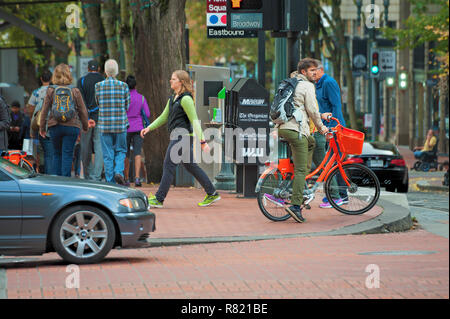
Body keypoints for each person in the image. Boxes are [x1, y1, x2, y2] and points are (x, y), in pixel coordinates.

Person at [140, 70, 220, 208]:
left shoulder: (186, 99)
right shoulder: (173, 99)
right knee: (191, 166)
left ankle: (159, 199)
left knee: (168, 165)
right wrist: (149, 128)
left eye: (173, 79)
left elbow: (195, 120)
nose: (170, 81)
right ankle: (212, 192)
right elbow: (163, 117)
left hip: (182, 137)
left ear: (181, 82)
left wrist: (202, 141)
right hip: (178, 137)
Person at [274, 58, 331, 223]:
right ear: (303, 72)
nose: (315, 73)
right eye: (312, 70)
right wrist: (323, 128)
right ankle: (295, 206)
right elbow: (313, 110)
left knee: (311, 142)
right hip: (296, 130)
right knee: (301, 171)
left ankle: (301, 176)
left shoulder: (290, 83)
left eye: (316, 70)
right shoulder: (307, 86)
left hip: (284, 128)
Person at [39, 63, 91, 177]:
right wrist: (85, 126)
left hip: (55, 126)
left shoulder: (51, 90)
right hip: (72, 126)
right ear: (69, 74)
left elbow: (44, 110)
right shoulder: (75, 90)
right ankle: (66, 181)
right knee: (67, 154)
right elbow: (83, 110)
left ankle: (56, 181)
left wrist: (42, 128)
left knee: (56, 154)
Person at [313, 60, 348, 208]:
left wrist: (334, 128)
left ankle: (342, 195)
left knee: (336, 162)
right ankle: (333, 195)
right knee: (329, 163)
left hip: (333, 129)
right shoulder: (317, 84)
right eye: (311, 71)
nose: (312, 73)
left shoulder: (329, 83)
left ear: (321, 70)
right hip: (324, 128)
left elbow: (336, 106)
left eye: (315, 70)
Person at [95, 59, 130, 185]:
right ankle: (118, 172)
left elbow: (98, 103)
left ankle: (110, 182)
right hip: (120, 125)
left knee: (107, 154)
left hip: (104, 125)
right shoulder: (124, 86)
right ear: (116, 71)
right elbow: (127, 105)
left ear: (105, 71)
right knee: (121, 150)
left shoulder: (98, 86)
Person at [77, 60, 105, 181]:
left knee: (85, 146)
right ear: (98, 68)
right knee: (99, 146)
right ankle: (97, 176)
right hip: (101, 117)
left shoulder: (81, 81)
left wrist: (87, 118)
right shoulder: (104, 80)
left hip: (86, 118)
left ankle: (88, 174)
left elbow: (80, 102)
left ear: (88, 69)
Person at [124, 75, 150, 187]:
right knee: (137, 152)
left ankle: (126, 179)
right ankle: (137, 178)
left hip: (126, 128)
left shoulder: (123, 98)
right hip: (139, 128)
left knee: (125, 153)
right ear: (136, 85)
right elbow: (147, 114)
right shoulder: (141, 98)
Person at [27, 70, 54, 174]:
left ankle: (43, 170)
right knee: (51, 152)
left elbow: (31, 108)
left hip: (39, 123)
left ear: (41, 79)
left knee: (42, 151)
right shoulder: (53, 90)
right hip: (52, 123)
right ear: (51, 79)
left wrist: (33, 124)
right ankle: (49, 172)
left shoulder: (36, 92)